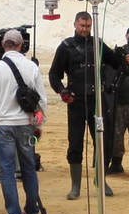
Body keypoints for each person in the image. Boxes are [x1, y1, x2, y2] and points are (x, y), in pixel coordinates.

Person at [47, 10, 119, 201]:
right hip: (76, 101)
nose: (85, 29)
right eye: (82, 26)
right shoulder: (66, 47)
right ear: (75, 25)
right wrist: (62, 92)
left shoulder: (99, 44)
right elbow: (54, 74)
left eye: (88, 26)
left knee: (102, 141)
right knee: (75, 143)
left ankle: (100, 180)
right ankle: (75, 186)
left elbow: (115, 62)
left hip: (97, 101)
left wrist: (125, 57)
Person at [0, 27, 46, 214]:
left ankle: (13, 213)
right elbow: (42, 100)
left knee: (8, 169)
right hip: (26, 124)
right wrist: (39, 123)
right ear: (21, 45)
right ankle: (32, 210)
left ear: (3, 44)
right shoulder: (32, 67)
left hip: (3, 124)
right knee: (28, 167)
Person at [110, 26, 129, 178]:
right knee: (117, 133)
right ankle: (116, 162)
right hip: (120, 99)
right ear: (126, 36)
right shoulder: (121, 51)